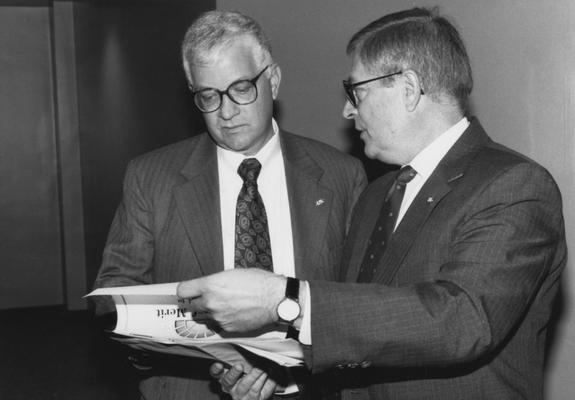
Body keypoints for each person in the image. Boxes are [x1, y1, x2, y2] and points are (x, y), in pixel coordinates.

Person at [177, 7, 567, 400]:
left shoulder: (514, 186)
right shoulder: (375, 195)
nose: (347, 110)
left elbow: (461, 322)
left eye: (357, 91)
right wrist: (274, 366)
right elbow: (361, 328)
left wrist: (286, 301)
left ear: (409, 89)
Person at [92, 10, 367, 400]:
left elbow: (358, 301)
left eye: (241, 88)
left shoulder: (341, 175)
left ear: (272, 79)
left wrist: (299, 356)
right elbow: (113, 296)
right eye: (208, 95)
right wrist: (206, 354)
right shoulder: (150, 177)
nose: (225, 111)